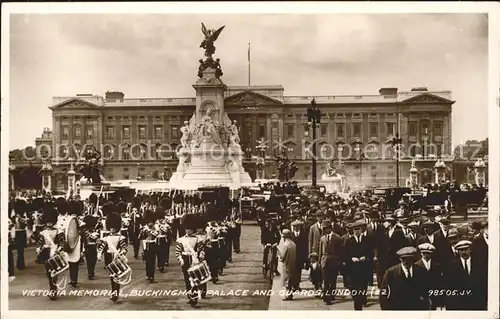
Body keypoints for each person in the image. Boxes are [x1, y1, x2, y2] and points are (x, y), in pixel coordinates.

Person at [379, 246, 429, 310]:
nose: (406, 261)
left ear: (413, 259)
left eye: (409, 259)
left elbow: (426, 292)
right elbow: (383, 295)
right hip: (397, 310)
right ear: (400, 259)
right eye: (403, 259)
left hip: (416, 309)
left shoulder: (421, 271)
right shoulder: (390, 273)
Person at [444, 240, 487, 310]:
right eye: (461, 250)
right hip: (459, 304)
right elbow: (448, 285)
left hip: (477, 303)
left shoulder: (480, 263)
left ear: (470, 249)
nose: (464, 252)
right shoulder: (451, 266)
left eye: (466, 249)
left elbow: (484, 283)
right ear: (458, 251)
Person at [36, 204, 67, 300]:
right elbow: (39, 243)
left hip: (55, 253)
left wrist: (59, 249)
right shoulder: (43, 232)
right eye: (47, 222)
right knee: (49, 274)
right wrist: (38, 250)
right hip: (46, 254)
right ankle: (52, 290)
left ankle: (53, 291)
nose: (49, 224)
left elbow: (62, 242)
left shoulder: (59, 231)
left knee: (54, 273)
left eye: (50, 222)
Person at [97, 211, 128, 302]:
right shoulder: (106, 238)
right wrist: (99, 255)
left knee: (117, 275)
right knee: (112, 276)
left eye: (114, 228)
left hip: (117, 258)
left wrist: (121, 253)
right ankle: (114, 291)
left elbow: (124, 249)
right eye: (110, 228)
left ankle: (115, 293)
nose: (112, 229)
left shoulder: (121, 238)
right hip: (109, 257)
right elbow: (101, 248)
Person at [175, 214, 205, 307]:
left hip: (194, 260)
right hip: (185, 260)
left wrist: (200, 256)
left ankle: (194, 298)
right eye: (187, 229)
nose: (189, 231)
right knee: (187, 280)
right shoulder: (181, 240)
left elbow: (201, 250)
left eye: (191, 229)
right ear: (185, 229)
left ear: (193, 230)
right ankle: (190, 296)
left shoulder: (197, 239)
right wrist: (180, 259)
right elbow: (178, 251)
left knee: (195, 279)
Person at [343, 219, 374, 310]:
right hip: (353, 269)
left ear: (361, 230)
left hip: (364, 268)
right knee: (355, 289)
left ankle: (362, 300)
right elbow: (344, 255)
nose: (357, 231)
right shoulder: (349, 241)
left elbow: (371, 254)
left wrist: (366, 258)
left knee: (363, 286)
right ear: (352, 231)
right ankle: (358, 306)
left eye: (358, 229)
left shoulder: (367, 240)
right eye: (355, 229)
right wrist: (351, 258)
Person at [318, 219, 343, 305]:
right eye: (323, 229)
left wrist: (339, 263)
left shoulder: (337, 238)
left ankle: (332, 294)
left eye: (325, 229)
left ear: (330, 228)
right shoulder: (322, 238)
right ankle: (327, 298)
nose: (324, 230)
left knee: (332, 280)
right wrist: (319, 262)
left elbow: (340, 252)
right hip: (324, 262)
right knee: (326, 281)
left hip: (334, 262)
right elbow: (320, 252)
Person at [415, 243, 443, 310]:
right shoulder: (416, 266)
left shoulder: (437, 266)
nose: (426, 255)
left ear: (432, 254)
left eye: (428, 253)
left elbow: (439, 282)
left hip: (435, 296)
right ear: (421, 253)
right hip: (421, 297)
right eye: (424, 253)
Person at [278, 229, 297, 301]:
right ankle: (290, 294)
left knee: (287, 282)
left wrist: (279, 254)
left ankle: (288, 295)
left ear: (284, 237)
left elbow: (282, 257)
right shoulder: (293, 244)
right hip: (292, 264)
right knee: (291, 280)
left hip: (286, 265)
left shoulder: (286, 245)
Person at [291, 220, 308, 291]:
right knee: (293, 271)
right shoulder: (291, 235)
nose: (296, 228)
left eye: (298, 226)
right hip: (293, 256)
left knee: (299, 271)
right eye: (295, 226)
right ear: (293, 227)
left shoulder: (303, 235)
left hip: (300, 256)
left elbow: (305, 246)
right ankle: (293, 285)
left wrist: (305, 258)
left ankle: (297, 285)